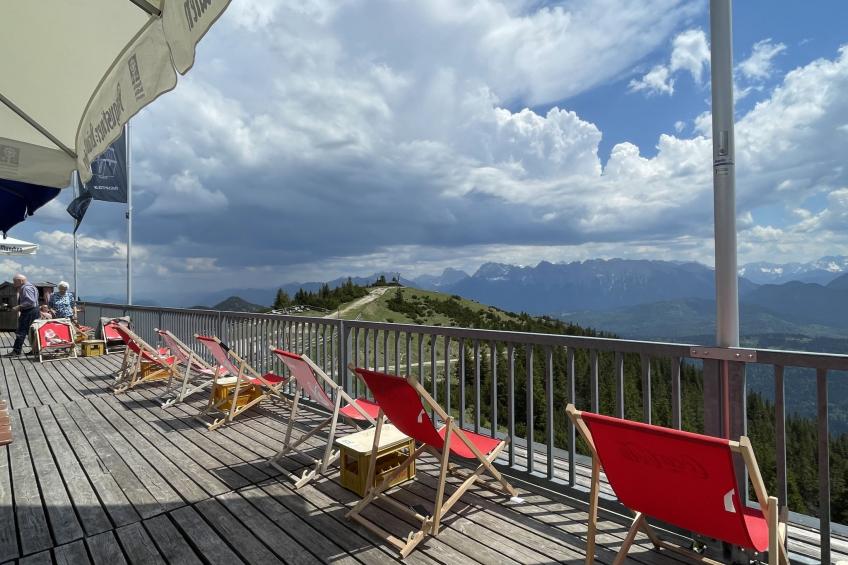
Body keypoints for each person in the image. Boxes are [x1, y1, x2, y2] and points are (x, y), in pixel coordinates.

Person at [6, 274, 39, 357]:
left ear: (21, 281)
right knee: (33, 331)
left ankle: (16, 351)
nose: (13, 283)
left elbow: (30, 301)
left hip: (29, 311)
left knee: (21, 331)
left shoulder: (26, 288)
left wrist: (19, 306)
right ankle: (35, 350)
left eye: (15, 281)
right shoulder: (32, 286)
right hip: (34, 311)